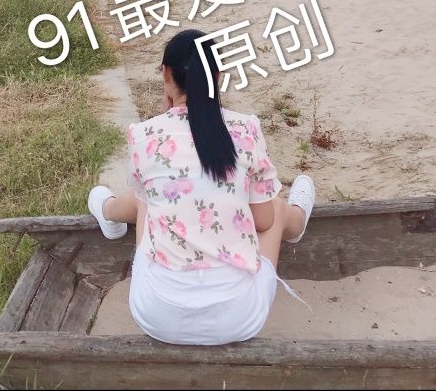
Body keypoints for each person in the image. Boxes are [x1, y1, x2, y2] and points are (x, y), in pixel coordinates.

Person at [88, 28, 315, 345]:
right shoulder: (244, 128)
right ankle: (297, 219)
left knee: (149, 201)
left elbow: (145, 196)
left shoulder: (144, 134)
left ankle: (108, 211)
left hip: (157, 314)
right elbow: (263, 222)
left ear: (167, 74)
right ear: (218, 76)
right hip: (237, 318)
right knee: (274, 207)